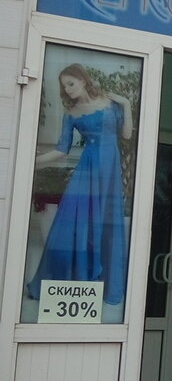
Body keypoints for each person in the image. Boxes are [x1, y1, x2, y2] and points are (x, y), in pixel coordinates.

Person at [27, 64, 133, 306]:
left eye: (71, 83)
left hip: (109, 173)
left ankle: (101, 285)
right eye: (64, 86)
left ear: (83, 81)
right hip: (88, 171)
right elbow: (62, 150)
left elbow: (126, 134)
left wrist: (126, 104)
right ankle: (70, 286)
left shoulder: (110, 104)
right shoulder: (71, 113)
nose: (67, 89)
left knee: (105, 223)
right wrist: (32, 161)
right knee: (74, 223)